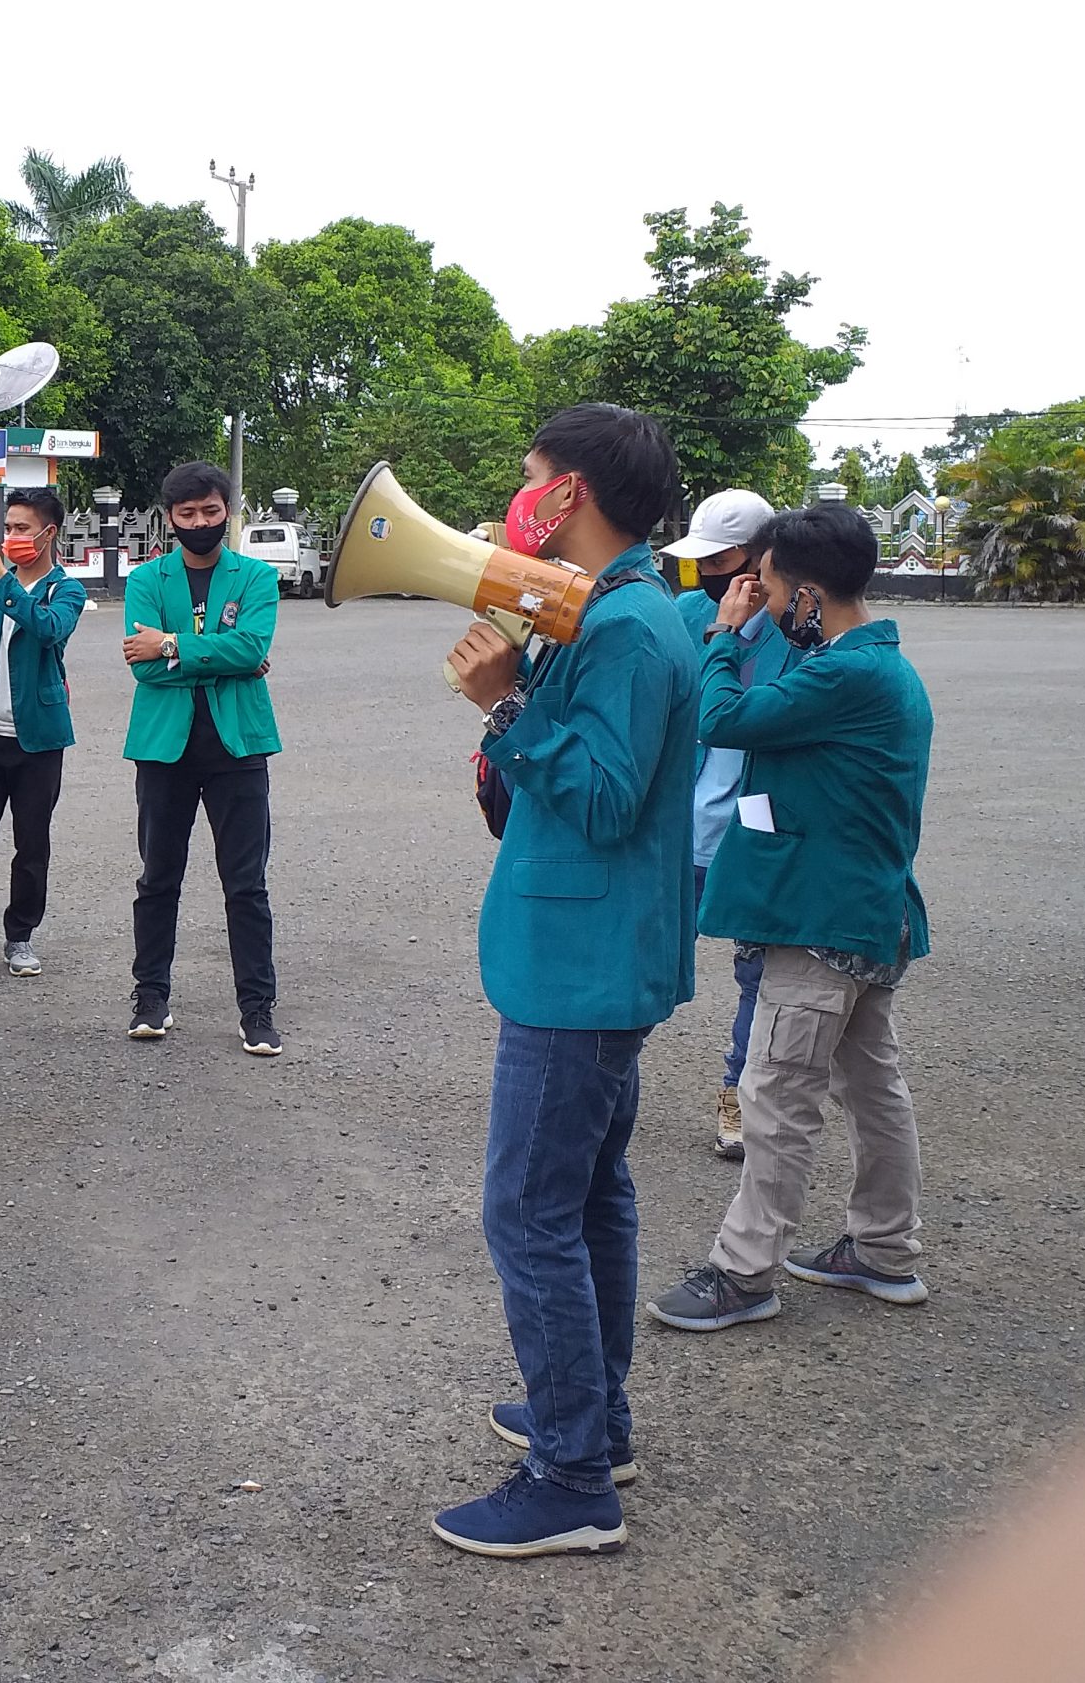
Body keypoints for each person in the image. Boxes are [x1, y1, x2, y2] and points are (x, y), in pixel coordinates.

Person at [433, 403, 696, 1559]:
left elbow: (598, 799)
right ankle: (592, 1418)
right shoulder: (608, 610)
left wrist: (504, 703)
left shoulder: (631, 628)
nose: (518, 500)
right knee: (589, 1198)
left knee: (527, 1214)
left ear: (573, 493)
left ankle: (571, 1478)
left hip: (579, 965)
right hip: (589, 954)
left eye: (531, 481)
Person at [649, 503, 935, 1334]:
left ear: (808, 596)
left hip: (821, 925)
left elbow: (723, 721)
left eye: (769, 587)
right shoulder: (878, 667)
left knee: (776, 1094)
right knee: (874, 1088)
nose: (759, 600)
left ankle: (744, 1273)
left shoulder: (843, 676)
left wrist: (724, 640)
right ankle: (882, 1248)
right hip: (867, 915)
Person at [120, 462, 285, 1057]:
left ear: (228, 512)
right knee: (157, 879)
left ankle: (257, 1009)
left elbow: (251, 646)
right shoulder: (146, 579)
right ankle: (150, 996)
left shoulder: (256, 577)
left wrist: (170, 645)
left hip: (237, 747)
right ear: (169, 518)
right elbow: (138, 665)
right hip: (164, 749)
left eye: (210, 512)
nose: (199, 523)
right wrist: (221, 656)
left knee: (246, 885)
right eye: (187, 514)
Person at [664, 491, 799, 1157]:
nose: (706, 575)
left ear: (759, 562)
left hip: (752, 835)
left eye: (720, 562)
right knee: (650, 963)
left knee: (757, 981)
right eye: (700, 562)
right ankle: (602, 1083)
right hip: (677, 827)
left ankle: (734, 1108)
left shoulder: (795, 635)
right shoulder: (686, 612)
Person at [0, 486, 87, 986]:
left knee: (32, 844)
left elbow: (48, 629)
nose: (10, 537)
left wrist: (4, 580)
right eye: (8, 528)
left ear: (48, 533)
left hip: (39, 740)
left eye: (22, 528)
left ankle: (20, 935)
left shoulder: (66, 590)